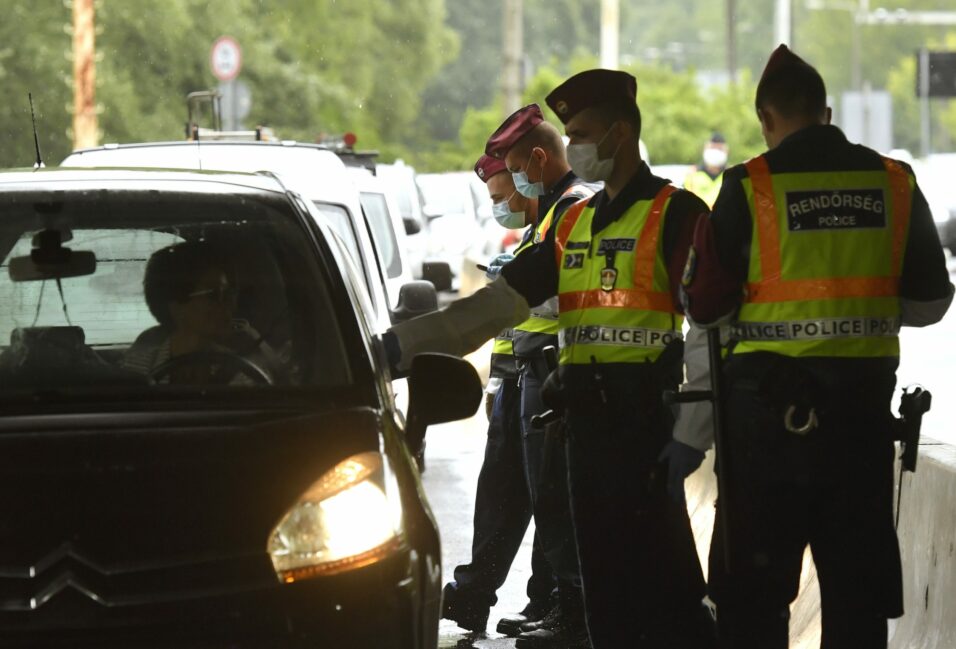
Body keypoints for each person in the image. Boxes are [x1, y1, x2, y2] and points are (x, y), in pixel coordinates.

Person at [384, 69, 716, 649]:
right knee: (602, 601)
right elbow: (492, 308)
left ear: (619, 132)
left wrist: (691, 435)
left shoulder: (676, 214)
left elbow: (710, 327)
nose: (578, 146)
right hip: (582, 437)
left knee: (671, 594)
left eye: (584, 133)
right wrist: (399, 349)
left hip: (647, 438)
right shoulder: (574, 225)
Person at [681, 45, 954, 649]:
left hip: (763, 434)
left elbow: (705, 307)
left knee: (752, 602)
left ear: (766, 120)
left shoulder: (748, 185)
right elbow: (932, 304)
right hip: (857, 431)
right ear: (826, 113)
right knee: (856, 600)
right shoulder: (894, 181)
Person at [482, 104, 596, 648]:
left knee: (557, 500)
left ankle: (571, 614)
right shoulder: (553, 210)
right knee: (547, 497)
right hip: (537, 366)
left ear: (537, 157)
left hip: (556, 364)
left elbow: (564, 295)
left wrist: (515, 286)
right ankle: (556, 605)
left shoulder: (572, 207)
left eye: (513, 175)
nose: (513, 191)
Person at [439, 154, 556, 636]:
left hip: (548, 377)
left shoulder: (565, 214)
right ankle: (474, 597)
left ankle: (548, 603)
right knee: (501, 498)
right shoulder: (533, 231)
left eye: (502, 194)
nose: (499, 206)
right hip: (516, 378)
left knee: (546, 500)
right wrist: (497, 381)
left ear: (526, 180)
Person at [123, 240, 277, 383]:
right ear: (176, 306)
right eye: (214, 295)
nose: (229, 305)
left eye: (229, 294)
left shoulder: (246, 372)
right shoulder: (137, 366)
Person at [683, 133, 729, 208]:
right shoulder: (692, 174)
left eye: (719, 149)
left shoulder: (731, 175)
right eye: (713, 148)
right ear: (705, 149)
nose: (715, 152)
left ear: (727, 152)